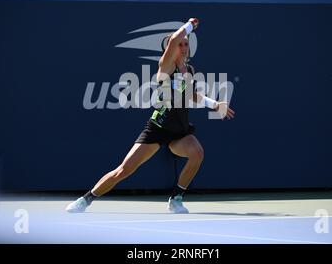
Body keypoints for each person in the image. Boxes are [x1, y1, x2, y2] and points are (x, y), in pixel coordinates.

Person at [66, 19, 235, 214]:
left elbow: (190, 95)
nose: (183, 47)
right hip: (158, 128)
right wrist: (189, 24)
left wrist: (214, 104)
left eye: (186, 44)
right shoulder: (165, 66)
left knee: (197, 153)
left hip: (179, 130)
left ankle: (176, 199)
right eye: (179, 44)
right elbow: (174, 39)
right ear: (169, 49)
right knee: (124, 170)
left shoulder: (189, 71)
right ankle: (86, 199)